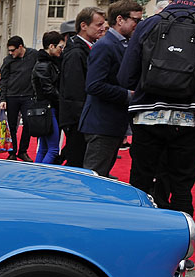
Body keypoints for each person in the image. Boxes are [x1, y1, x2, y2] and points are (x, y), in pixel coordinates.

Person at [118, 0, 195, 215]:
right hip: (188, 115)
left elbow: (126, 77)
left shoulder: (150, 23)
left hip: (147, 113)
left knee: (142, 179)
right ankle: (180, 237)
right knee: (182, 183)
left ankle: (137, 228)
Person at [77, 0, 142, 178]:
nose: (138, 25)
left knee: (101, 176)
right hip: (101, 124)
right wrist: (129, 95)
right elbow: (94, 85)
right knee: (94, 177)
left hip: (110, 124)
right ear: (120, 20)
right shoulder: (105, 46)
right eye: (135, 20)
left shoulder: (121, 44)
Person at [59, 7, 108, 168]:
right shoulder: (76, 52)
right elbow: (75, 91)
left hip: (84, 118)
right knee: (77, 163)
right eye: (98, 24)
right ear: (84, 26)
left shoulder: (87, 48)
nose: (102, 28)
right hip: (79, 121)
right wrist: (84, 120)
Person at [0, 36, 39, 161]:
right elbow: (3, 80)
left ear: (20, 47)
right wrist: (2, 98)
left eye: (12, 50)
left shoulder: (33, 55)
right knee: (12, 126)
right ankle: (12, 152)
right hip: (11, 96)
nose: (11, 53)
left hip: (28, 96)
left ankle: (22, 151)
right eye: (9, 51)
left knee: (28, 123)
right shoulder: (8, 60)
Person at [32, 32, 65, 164]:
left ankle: (35, 175)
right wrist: (63, 99)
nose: (61, 50)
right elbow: (48, 90)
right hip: (48, 109)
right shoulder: (44, 65)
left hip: (43, 109)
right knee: (53, 149)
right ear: (51, 46)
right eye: (60, 47)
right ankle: (39, 176)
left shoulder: (43, 63)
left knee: (44, 148)